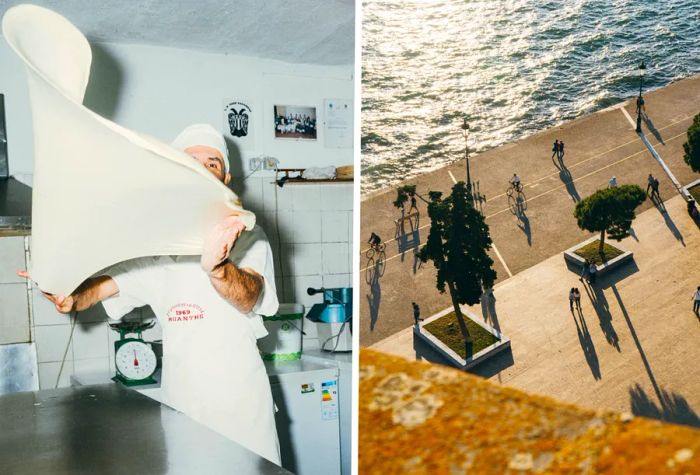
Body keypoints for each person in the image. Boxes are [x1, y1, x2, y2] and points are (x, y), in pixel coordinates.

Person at [22, 124, 281, 464]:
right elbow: (99, 290)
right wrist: (68, 295)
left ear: (226, 180)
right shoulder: (156, 252)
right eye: (192, 163)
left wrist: (217, 267)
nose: (203, 170)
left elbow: (248, 296)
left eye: (213, 163)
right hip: (182, 411)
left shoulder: (250, 236)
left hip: (242, 412)